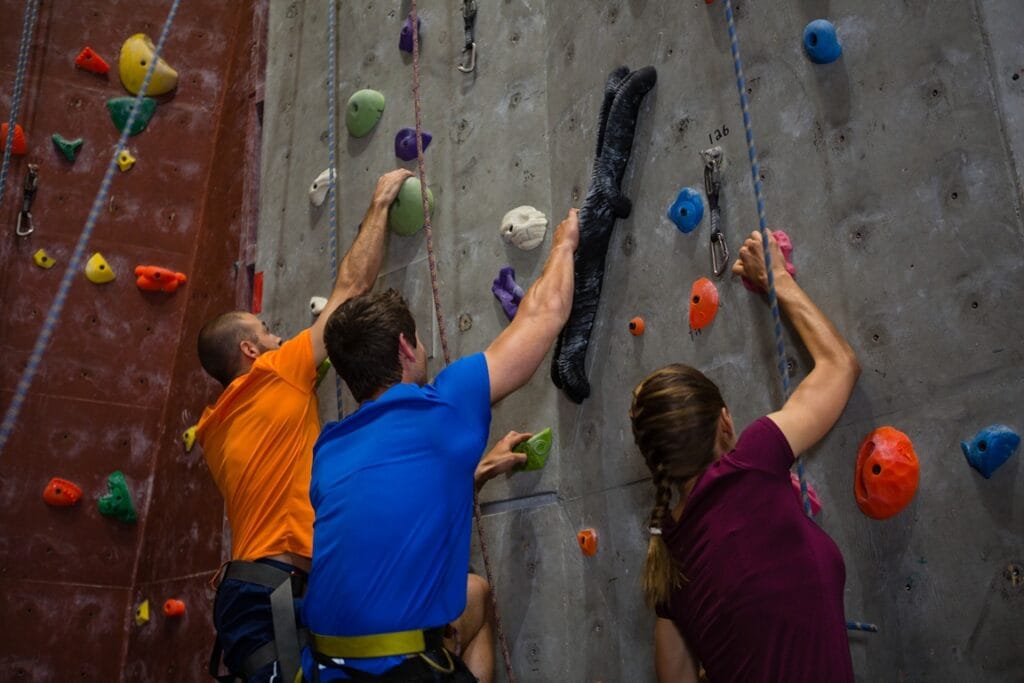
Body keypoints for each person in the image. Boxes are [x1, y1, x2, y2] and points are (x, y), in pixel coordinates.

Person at [299, 209, 580, 682]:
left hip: (323, 666)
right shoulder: (443, 407)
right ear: (407, 350)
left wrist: (476, 474)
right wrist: (565, 243)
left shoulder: (329, 451)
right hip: (397, 671)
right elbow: (544, 314)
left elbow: (392, 514)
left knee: (475, 594)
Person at [196, 169, 414, 681]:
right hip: (275, 589)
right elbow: (353, 288)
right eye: (267, 332)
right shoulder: (274, 374)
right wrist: (380, 203)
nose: (278, 338)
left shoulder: (214, 427)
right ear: (250, 351)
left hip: (258, 590)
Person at [629, 229, 861, 683]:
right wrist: (777, 279)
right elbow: (840, 366)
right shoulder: (754, 459)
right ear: (725, 422)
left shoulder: (665, 568)